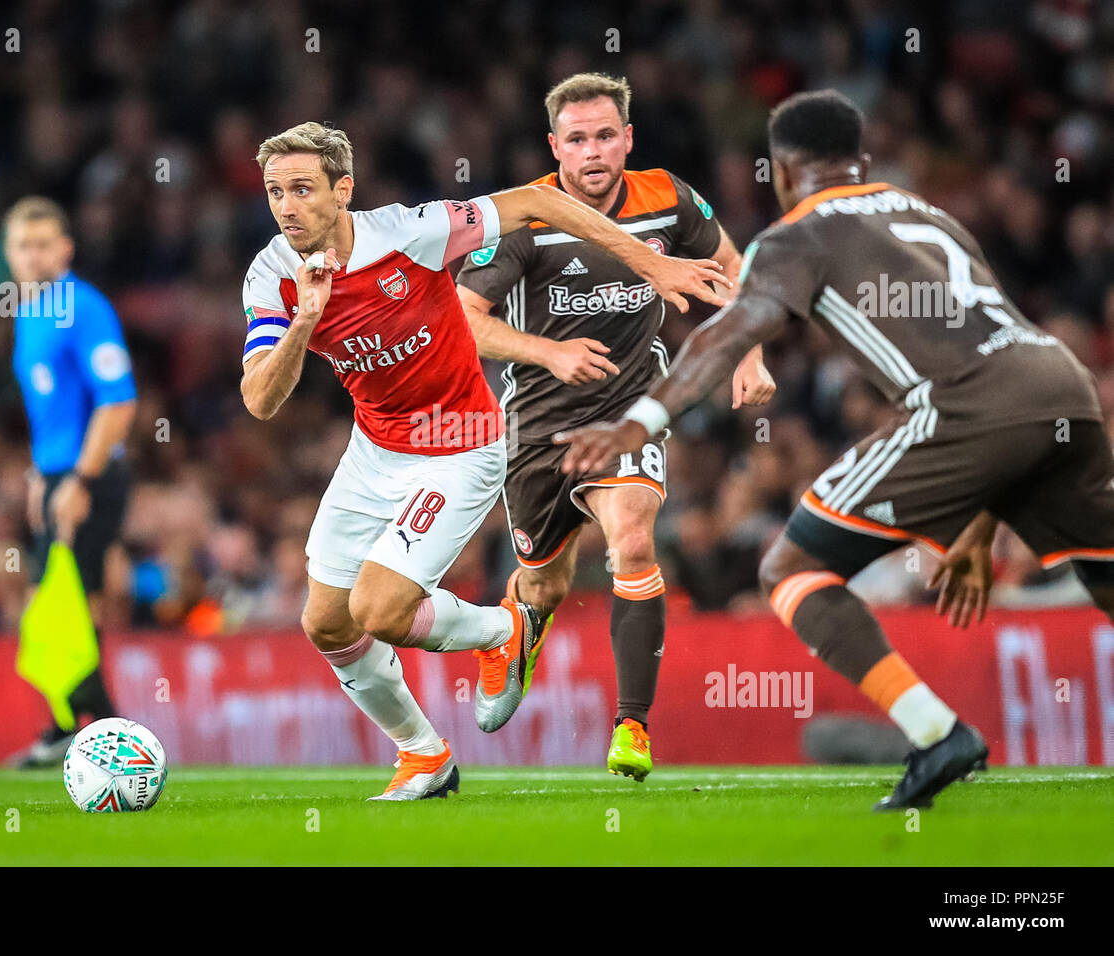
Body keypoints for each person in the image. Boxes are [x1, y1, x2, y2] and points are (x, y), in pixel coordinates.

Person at [556, 89, 1114, 810]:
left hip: (965, 404)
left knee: (791, 567)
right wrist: (976, 534)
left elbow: (730, 332)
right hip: (1059, 383)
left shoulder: (795, 234)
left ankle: (937, 733)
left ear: (782, 172)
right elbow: (995, 343)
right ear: (861, 160)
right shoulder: (925, 212)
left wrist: (637, 423)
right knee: (1105, 575)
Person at [240, 122, 731, 799]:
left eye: (302, 189)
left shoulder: (412, 233)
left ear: (343, 189)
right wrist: (305, 320)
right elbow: (262, 399)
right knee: (325, 622)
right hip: (374, 451)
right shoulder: (272, 274)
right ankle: (424, 757)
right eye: (274, 193)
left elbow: (536, 202)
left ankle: (505, 631)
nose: (286, 207)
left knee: (380, 610)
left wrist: (649, 261)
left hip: (461, 442)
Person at [455, 72, 775, 780]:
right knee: (543, 583)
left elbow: (733, 266)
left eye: (606, 136)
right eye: (577, 140)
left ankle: (632, 725)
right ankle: (519, 628)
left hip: (631, 411)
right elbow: (463, 320)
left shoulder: (666, 197)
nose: (593, 152)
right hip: (538, 426)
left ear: (628, 139)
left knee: (632, 539)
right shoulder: (526, 219)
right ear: (554, 147)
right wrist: (550, 353)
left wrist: (748, 353)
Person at [3, 197, 138, 768]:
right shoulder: (30, 313)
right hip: (60, 472)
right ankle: (77, 726)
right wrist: (42, 474)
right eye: (22, 246)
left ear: (65, 249)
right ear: (9, 255)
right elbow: (52, 411)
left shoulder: (84, 308)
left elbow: (119, 402)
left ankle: (103, 730)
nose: (32, 256)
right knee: (62, 605)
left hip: (93, 473)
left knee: (60, 605)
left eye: (43, 245)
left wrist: (79, 480)